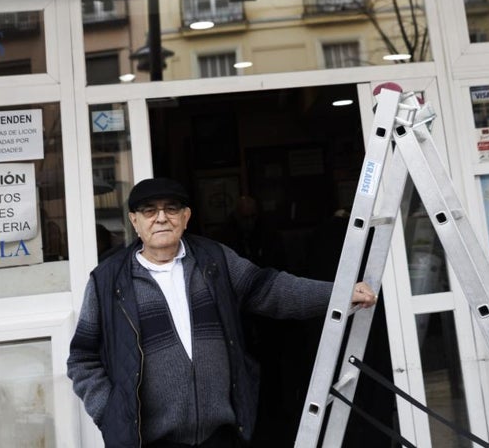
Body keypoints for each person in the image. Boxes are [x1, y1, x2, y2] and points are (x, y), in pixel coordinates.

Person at [67, 177, 377, 448]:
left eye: (171, 209)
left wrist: (338, 293)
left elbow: (272, 289)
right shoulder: (108, 280)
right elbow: (82, 358)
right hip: (150, 440)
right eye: (149, 211)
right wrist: (110, 411)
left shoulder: (213, 260)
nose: (161, 218)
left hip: (221, 435)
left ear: (186, 217)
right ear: (134, 221)